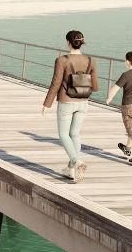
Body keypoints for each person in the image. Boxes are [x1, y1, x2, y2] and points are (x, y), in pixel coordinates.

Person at [41, 30, 100, 182]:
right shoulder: (91, 61)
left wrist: (47, 105)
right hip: (84, 102)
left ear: (68, 43)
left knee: (63, 134)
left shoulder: (62, 60)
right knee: (75, 134)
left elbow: (56, 84)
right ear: (82, 43)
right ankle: (70, 170)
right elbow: (96, 86)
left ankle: (76, 162)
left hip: (66, 101)